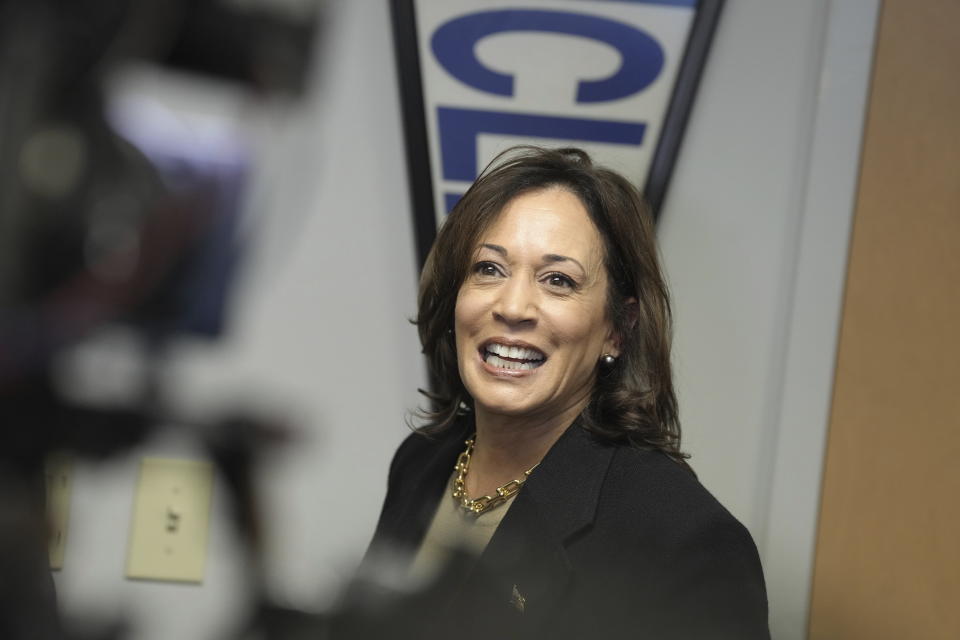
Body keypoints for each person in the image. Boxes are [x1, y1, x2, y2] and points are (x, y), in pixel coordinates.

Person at [363, 147, 769, 639]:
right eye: (489, 269)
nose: (513, 306)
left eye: (558, 280)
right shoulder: (421, 462)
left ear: (617, 330)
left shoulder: (683, 540)